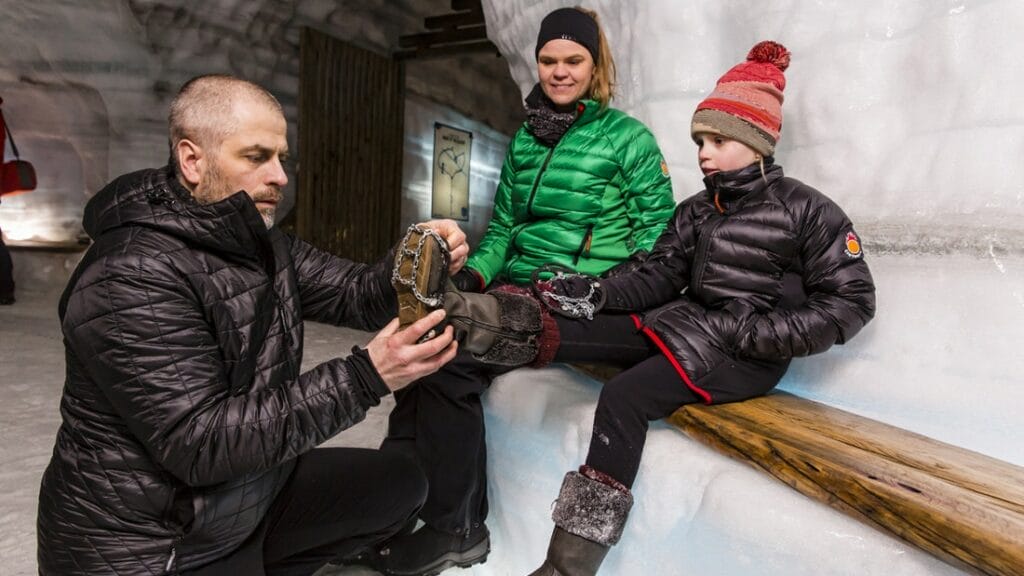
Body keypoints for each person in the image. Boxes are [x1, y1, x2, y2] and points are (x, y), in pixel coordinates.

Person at [380, 40, 876, 576]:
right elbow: (661, 274)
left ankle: (567, 566)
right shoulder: (698, 211)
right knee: (572, 325)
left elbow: (852, 301)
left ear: (755, 142)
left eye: (716, 140)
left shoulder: (808, 211)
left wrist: (756, 334)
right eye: (700, 140)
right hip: (692, 328)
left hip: (743, 354)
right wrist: (600, 294)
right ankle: (463, 314)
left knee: (624, 396)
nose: (703, 153)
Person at [35, 74, 471, 576]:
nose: (280, 176)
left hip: (236, 501)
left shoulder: (256, 240)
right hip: (156, 544)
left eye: (282, 157)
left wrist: (413, 261)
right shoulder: (131, 274)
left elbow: (356, 294)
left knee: (397, 483)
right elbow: (201, 445)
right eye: (256, 156)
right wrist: (368, 375)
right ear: (192, 160)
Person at [367, 6, 677, 574]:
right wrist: (475, 276)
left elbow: (660, 246)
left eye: (573, 60)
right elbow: (505, 230)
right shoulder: (527, 141)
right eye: (548, 60)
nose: (559, 71)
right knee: (420, 349)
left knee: (447, 356)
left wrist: (602, 289)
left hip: (587, 300)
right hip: (520, 288)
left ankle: (454, 528)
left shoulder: (628, 140)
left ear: (595, 64)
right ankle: (395, 503)